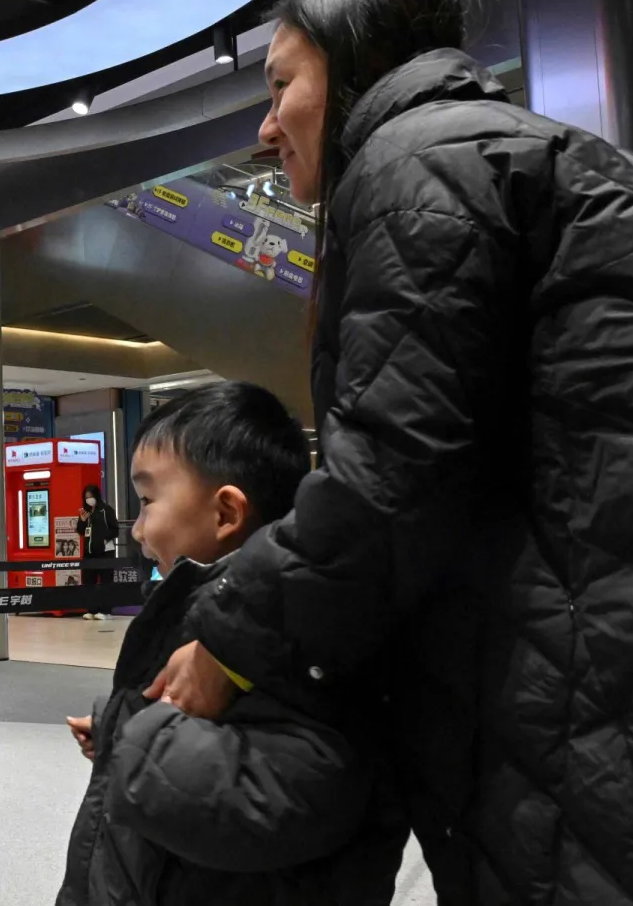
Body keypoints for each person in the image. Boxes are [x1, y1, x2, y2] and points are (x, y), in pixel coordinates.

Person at [146, 0, 633, 905]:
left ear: (353, 64)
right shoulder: (505, 149)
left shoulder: (414, 164)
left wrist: (229, 643)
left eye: (281, 82)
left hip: (562, 668)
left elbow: (393, 470)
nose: (264, 123)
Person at [58, 381, 405, 906]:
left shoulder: (299, 627)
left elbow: (286, 796)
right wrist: (119, 724)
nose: (138, 529)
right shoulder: (199, 609)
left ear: (225, 514)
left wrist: (137, 739)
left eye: (148, 500)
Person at [76, 483, 119, 619]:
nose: (89, 500)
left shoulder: (106, 510)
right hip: (89, 554)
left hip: (105, 552)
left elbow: (115, 530)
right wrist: (82, 521)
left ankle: (105, 611)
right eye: (86, 497)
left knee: (106, 581)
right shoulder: (86, 512)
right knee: (89, 582)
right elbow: (81, 531)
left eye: (91, 497)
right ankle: (91, 610)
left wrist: (103, 539)